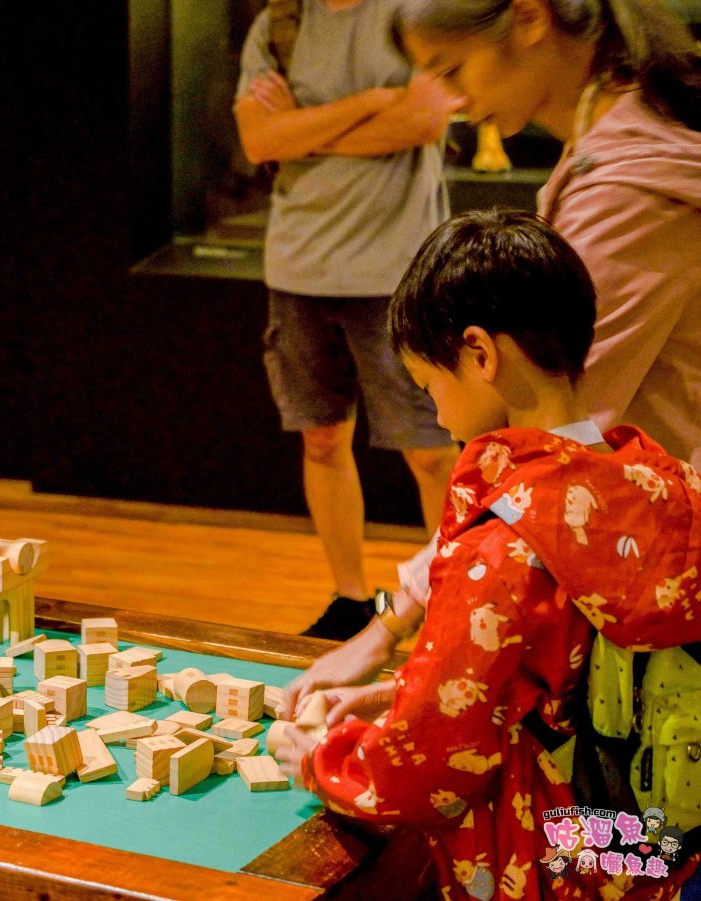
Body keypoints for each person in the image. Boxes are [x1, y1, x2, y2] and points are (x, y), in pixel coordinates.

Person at [286, 0, 701, 708]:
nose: (453, 100)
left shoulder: (625, 181)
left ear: (532, 18)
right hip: (650, 544)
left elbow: (551, 438)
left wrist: (391, 630)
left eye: (454, 68)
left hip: (663, 563)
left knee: (637, 804)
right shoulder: (613, 139)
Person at [277, 209, 701, 900]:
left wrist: (321, 759)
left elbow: (425, 773)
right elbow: (564, 686)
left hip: (546, 861)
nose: (438, 411)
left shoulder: (504, 540)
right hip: (645, 848)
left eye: (429, 383)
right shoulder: (663, 487)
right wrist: (393, 692)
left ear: (480, 353)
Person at [234, 0, 462, 639]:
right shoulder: (280, 24)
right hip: (298, 268)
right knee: (322, 438)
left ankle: (452, 605)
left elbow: (423, 122)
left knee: (432, 452)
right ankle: (351, 597)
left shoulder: (415, 15)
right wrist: (373, 103)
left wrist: (302, 129)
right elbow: (259, 140)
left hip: (397, 272)